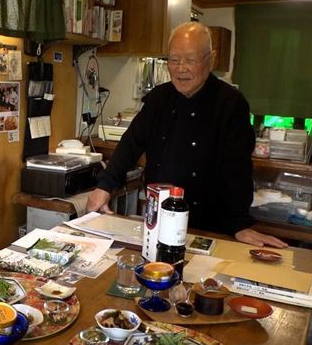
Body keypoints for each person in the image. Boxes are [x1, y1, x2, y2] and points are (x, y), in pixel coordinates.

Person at [86, 22, 287, 249]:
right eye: (173, 60)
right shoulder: (158, 99)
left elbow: (238, 169)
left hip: (209, 226)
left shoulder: (230, 104)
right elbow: (130, 144)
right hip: (158, 221)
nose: (181, 68)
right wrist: (104, 186)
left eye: (190, 60)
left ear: (210, 59)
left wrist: (239, 224)